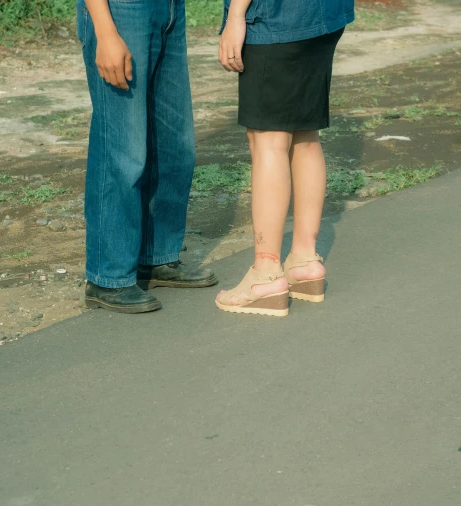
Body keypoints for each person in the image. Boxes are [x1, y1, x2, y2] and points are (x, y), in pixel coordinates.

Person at [76, 0, 217, 314]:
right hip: (120, 11)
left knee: (173, 147)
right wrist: (105, 30)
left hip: (168, 9)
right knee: (122, 147)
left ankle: (156, 257)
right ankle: (107, 276)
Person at [214, 0, 354, 317]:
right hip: (323, 16)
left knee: (268, 140)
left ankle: (265, 274)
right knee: (305, 135)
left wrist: (236, 15)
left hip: (276, 18)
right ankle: (304, 261)